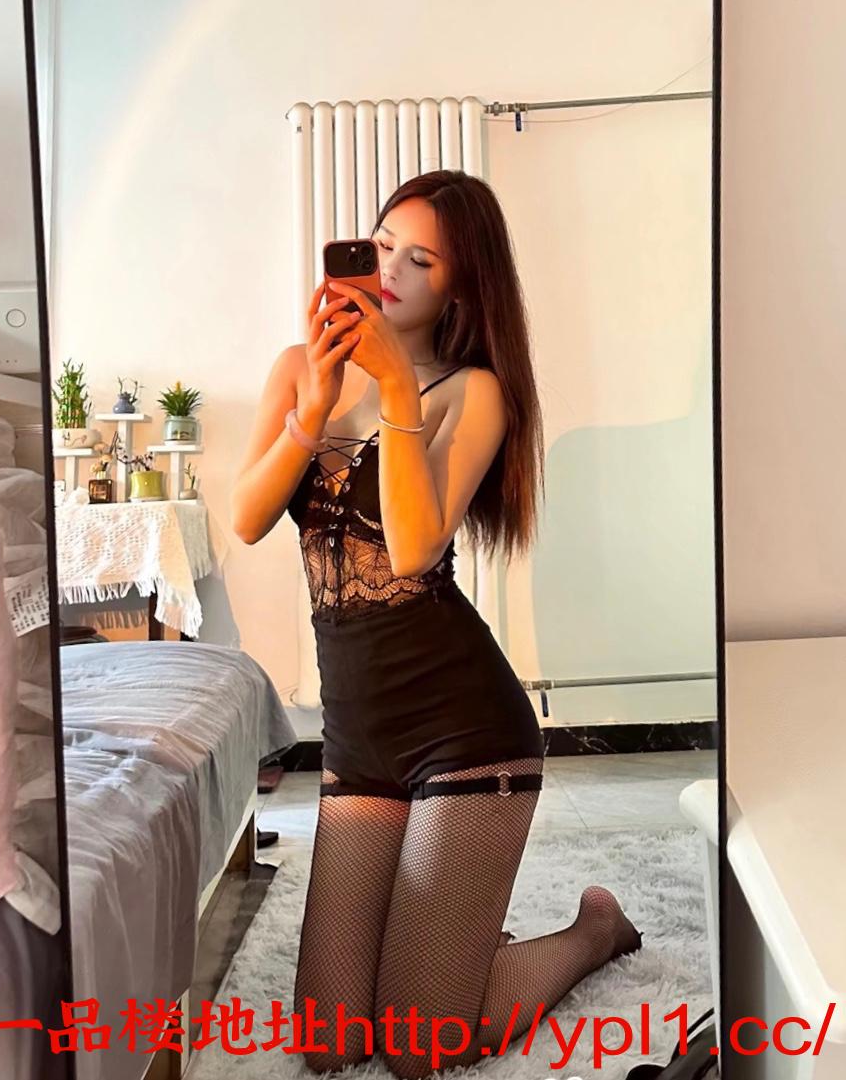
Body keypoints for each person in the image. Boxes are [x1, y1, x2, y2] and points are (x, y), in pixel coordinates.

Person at [231, 171, 642, 1078]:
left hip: (466, 733)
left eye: (421, 259)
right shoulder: (298, 370)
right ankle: (459, 935)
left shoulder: (471, 393)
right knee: (331, 1043)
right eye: (383, 246)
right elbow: (248, 517)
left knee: (420, 1047)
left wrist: (397, 394)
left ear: (460, 285)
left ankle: (593, 929)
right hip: (360, 739)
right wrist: (314, 407)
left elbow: (414, 550)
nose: (391, 270)